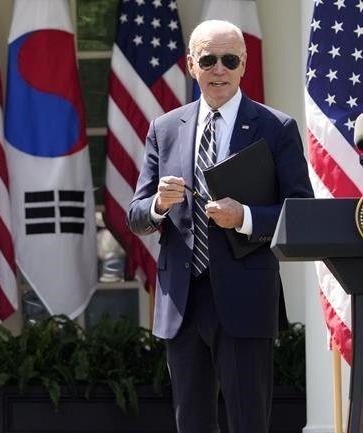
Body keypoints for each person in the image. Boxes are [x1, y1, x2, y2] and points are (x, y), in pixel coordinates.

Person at [127, 20, 313, 433]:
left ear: (244, 64)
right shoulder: (164, 129)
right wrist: (159, 204)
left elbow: (300, 212)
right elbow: (136, 214)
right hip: (183, 301)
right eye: (209, 60)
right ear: (191, 64)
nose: (219, 70)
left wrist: (244, 217)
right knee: (191, 423)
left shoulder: (276, 127)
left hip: (245, 299)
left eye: (229, 60)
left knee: (248, 422)